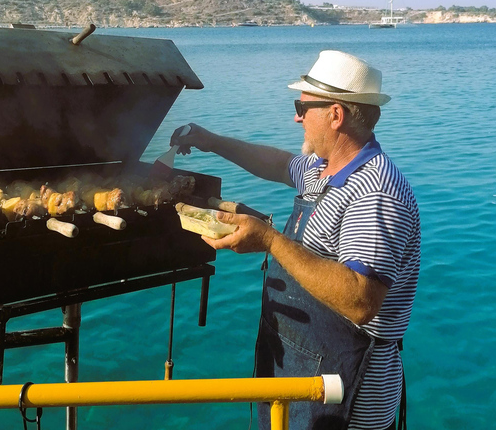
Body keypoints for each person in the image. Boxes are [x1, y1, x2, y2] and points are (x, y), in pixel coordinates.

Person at [171, 50, 420, 430]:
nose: (296, 117)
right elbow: (275, 162)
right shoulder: (323, 168)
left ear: (335, 115)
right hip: (297, 374)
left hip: (345, 396)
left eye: (302, 107)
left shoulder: (376, 192)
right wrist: (209, 141)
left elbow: (360, 299)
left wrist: (271, 240)